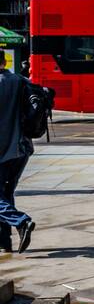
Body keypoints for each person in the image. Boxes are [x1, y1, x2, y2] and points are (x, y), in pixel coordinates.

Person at [0, 67, 35, 253]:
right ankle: (4, 241)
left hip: (2, 149)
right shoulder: (21, 80)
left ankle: (21, 222)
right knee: (6, 194)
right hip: (22, 149)